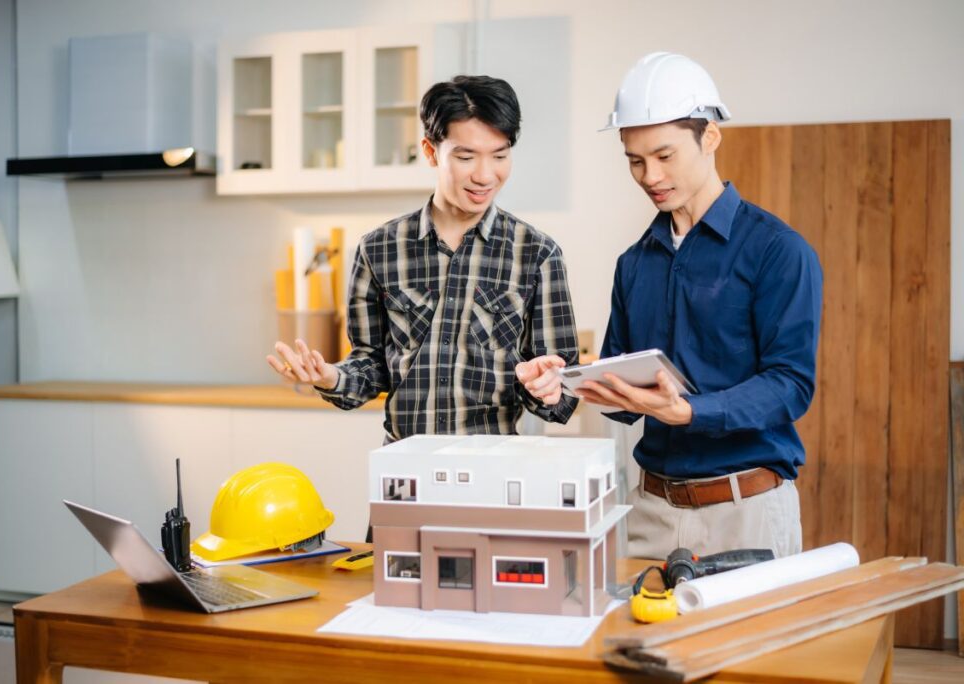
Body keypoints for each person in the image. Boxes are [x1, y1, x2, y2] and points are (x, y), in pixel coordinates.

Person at [576, 52, 823, 559]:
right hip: (650, 511)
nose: (649, 175)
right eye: (635, 160)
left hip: (746, 512)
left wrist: (688, 411)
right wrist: (568, 379)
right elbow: (624, 397)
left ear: (710, 137)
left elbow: (790, 385)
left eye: (665, 156)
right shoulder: (633, 264)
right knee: (640, 642)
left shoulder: (778, 251)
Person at [267, 75, 579, 442]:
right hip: (404, 471)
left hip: (492, 471)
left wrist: (548, 388)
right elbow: (371, 363)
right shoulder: (378, 249)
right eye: (465, 157)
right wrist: (329, 377)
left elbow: (564, 392)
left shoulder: (537, 254)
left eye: (500, 155)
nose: (485, 175)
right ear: (431, 152)